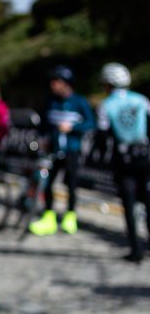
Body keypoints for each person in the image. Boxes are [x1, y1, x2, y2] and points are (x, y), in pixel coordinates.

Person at [29, 65, 95, 236]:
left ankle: (70, 217)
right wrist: (42, 139)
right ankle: (48, 216)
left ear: (66, 83)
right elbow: (43, 124)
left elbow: (91, 123)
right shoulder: (50, 101)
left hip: (72, 149)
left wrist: (73, 128)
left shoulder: (79, 101)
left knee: (71, 184)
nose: (53, 85)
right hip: (53, 150)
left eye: (56, 81)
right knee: (48, 183)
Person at [96, 62, 150, 263]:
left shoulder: (106, 105)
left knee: (129, 204)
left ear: (108, 83)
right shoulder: (142, 100)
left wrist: (102, 157)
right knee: (148, 201)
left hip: (123, 161)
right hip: (145, 158)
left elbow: (102, 136)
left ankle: (136, 250)